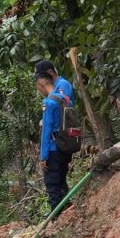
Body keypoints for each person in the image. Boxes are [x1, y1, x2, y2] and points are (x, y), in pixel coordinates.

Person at [37, 60, 81, 216]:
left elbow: (47, 130)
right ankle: (67, 213)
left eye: (38, 87)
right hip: (65, 145)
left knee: (53, 184)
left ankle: (55, 218)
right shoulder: (65, 98)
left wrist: (43, 156)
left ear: (42, 85)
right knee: (61, 180)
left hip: (54, 148)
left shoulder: (49, 102)